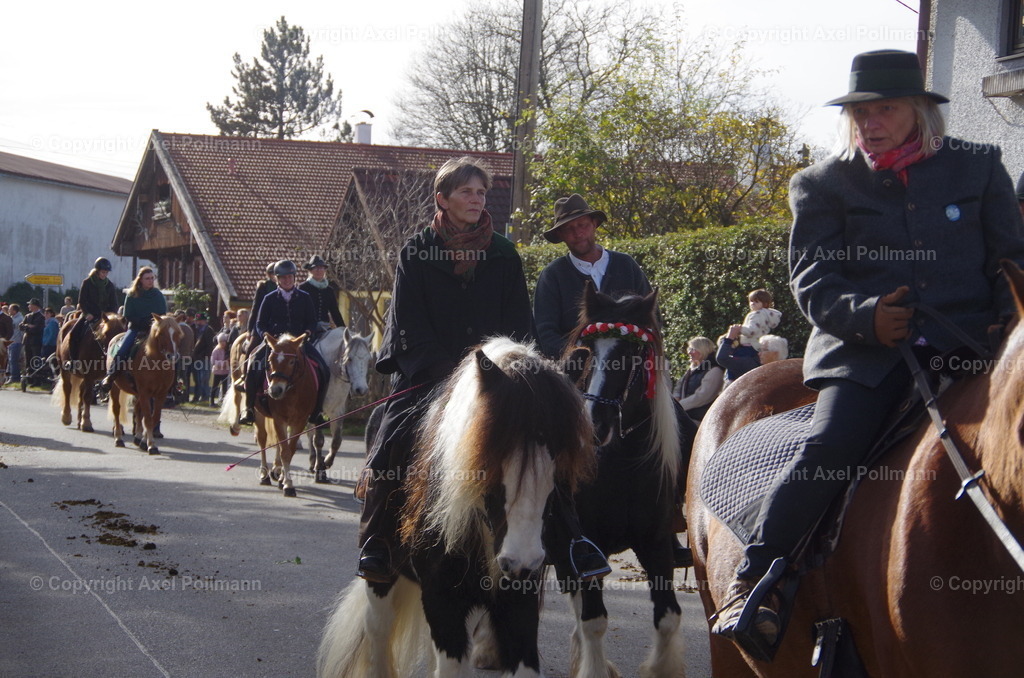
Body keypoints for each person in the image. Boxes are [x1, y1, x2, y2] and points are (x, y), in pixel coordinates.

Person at [711, 49, 1024, 648]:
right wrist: (867, 317)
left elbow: (1010, 260)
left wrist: (1005, 329)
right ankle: (757, 579)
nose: (871, 122)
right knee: (831, 445)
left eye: (886, 109)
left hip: (970, 350)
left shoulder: (979, 166)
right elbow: (812, 279)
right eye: (861, 112)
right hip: (866, 357)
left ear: (919, 112)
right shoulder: (822, 184)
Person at [357, 157, 610, 585]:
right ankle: (378, 541)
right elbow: (408, 324)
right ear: (443, 199)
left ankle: (573, 541)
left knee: (550, 438)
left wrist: (512, 372)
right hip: (429, 375)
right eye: (466, 192)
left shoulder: (505, 253)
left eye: (481, 192)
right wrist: (449, 372)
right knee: (392, 436)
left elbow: (519, 325)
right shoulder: (416, 251)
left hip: (500, 379)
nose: (476, 200)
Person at [534, 194, 653, 359]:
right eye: (568, 228)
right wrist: (580, 359)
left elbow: (651, 316)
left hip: (629, 365)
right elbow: (544, 333)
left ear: (594, 224)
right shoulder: (552, 275)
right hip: (574, 369)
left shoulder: (626, 265)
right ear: (560, 235)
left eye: (582, 225)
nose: (577, 233)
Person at [237, 260, 330, 427]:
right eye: (283, 278)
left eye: (289, 277)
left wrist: (307, 333)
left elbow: (312, 321)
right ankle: (249, 409)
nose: (287, 280)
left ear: (294, 277)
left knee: (324, 369)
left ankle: (317, 411)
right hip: (275, 343)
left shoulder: (305, 297)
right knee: (253, 365)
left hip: (298, 343)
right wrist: (265, 335)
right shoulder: (269, 298)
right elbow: (260, 323)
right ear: (277, 279)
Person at [99, 267, 166, 392]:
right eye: (147, 278)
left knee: (170, 349)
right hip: (136, 328)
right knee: (123, 349)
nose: (150, 281)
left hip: (154, 329)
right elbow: (128, 315)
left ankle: (174, 383)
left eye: (152, 278)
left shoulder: (158, 295)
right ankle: (111, 375)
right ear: (140, 280)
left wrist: (153, 323)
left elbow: (162, 313)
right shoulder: (132, 294)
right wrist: (143, 322)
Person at [67, 258, 120, 370]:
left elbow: (114, 304)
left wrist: (110, 316)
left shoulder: (110, 285)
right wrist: (87, 314)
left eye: (106, 272)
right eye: (103, 272)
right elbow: (82, 301)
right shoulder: (87, 283)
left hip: (105, 317)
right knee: (74, 333)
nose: (105, 274)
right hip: (89, 315)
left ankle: (116, 362)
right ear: (97, 271)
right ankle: (74, 361)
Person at [672, 336, 724, 422]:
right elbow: (679, 386)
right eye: (689, 349)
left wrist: (678, 406)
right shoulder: (692, 368)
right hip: (685, 416)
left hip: (701, 421)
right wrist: (676, 398)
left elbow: (702, 397)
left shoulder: (715, 371)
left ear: (702, 351)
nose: (689, 352)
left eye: (693, 349)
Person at [299, 255, 345, 331]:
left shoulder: (329, 290)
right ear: (310, 270)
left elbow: (335, 312)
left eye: (321, 268)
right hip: (307, 328)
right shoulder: (303, 287)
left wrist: (343, 329)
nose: (319, 270)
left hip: (325, 327)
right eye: (316, 268)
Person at [19, 299, 45, 387]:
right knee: (28, 359)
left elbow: (37, 329)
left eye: (30, 305)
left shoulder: (40, 317)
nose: (28, 306)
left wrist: (28, 328)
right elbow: (21, 326)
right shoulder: (28, 316)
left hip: (36, 342)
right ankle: (29, 378)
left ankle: (37, 380)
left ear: (35, 306)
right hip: (27, 341)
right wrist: (28, 326)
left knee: (35, 360)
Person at [191, 312, 215, 404]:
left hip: (204, 358)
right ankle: (198, 396)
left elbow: (210, 346)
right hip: (197, 358)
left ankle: (205, 396)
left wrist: (205, 356)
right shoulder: (196, 330)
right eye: (197, 320)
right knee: (198, 378)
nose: (198, 322)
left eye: (200, 320)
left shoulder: (208, 330)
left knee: (204, 377)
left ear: (205, 321)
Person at [248, 263, 277, 333]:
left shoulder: (286, 287)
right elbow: (256, 307)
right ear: (269, 274)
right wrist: (250, 328)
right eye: (273, 273)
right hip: (263, 320)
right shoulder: (263, 286)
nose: (275, 276)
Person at [210, 334, 231, 406]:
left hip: (225, 372)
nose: (223, 343)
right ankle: (212, 401)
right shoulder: (216, 350)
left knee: (225, 388)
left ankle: (224, 402)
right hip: (217, 372)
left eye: (224, 341)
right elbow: (213, 362)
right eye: (221, 341)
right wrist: (224, 363)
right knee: (214, 387)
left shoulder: (227, 351)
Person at [7, 304, 23, 384]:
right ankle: (10, 376)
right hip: (10, 342)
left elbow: (22, 331)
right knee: (10, 360)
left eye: (10, 309)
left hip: (16, 342)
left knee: (14, 360)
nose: (8, 311)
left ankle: (15, 377)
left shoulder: (20, 319)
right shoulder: (11, 318)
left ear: (14, 310)